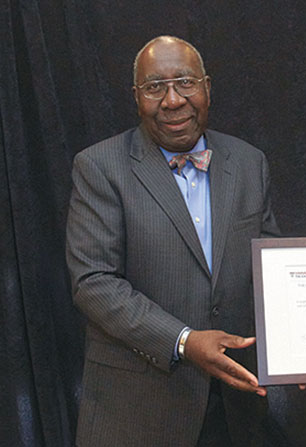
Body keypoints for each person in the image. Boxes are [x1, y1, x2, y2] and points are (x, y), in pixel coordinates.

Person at [66, 35, 280, 446]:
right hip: (138, 413)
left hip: (235, 411)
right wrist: (183, 341)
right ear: (136, 97)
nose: (172, 100)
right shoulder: (99, 167)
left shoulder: (249, 162)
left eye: (185, 82)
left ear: (207, 87)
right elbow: (93, 283)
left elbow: (265, 265)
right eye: (154, 87)